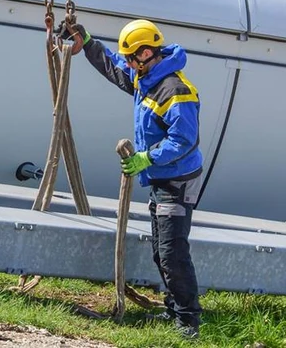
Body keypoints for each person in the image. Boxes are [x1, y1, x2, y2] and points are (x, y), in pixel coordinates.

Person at [73, 19, 204, 339]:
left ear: (146, 53)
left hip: (177, 182)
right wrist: (87, 43)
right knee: (161, 252)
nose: (129, 64)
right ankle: (174, 309)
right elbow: (115, 68)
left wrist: (148, 157)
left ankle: (188, 322)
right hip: (161, 178)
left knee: (172, 254)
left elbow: (183, 140)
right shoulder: (145, 77)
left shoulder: (175, 91)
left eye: (132, 58)